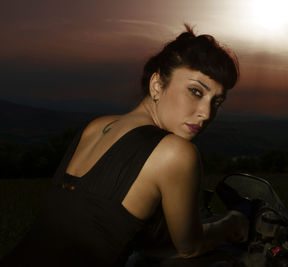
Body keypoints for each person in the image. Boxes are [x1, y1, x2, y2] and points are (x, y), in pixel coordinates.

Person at [1, 24, 249, 266]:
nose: (206, 113)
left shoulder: (95, 127)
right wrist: (233, 219)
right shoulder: (175, 152)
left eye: (217, 102)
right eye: (196, 91)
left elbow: (98, 224)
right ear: (157, 85)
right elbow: (190, 247)